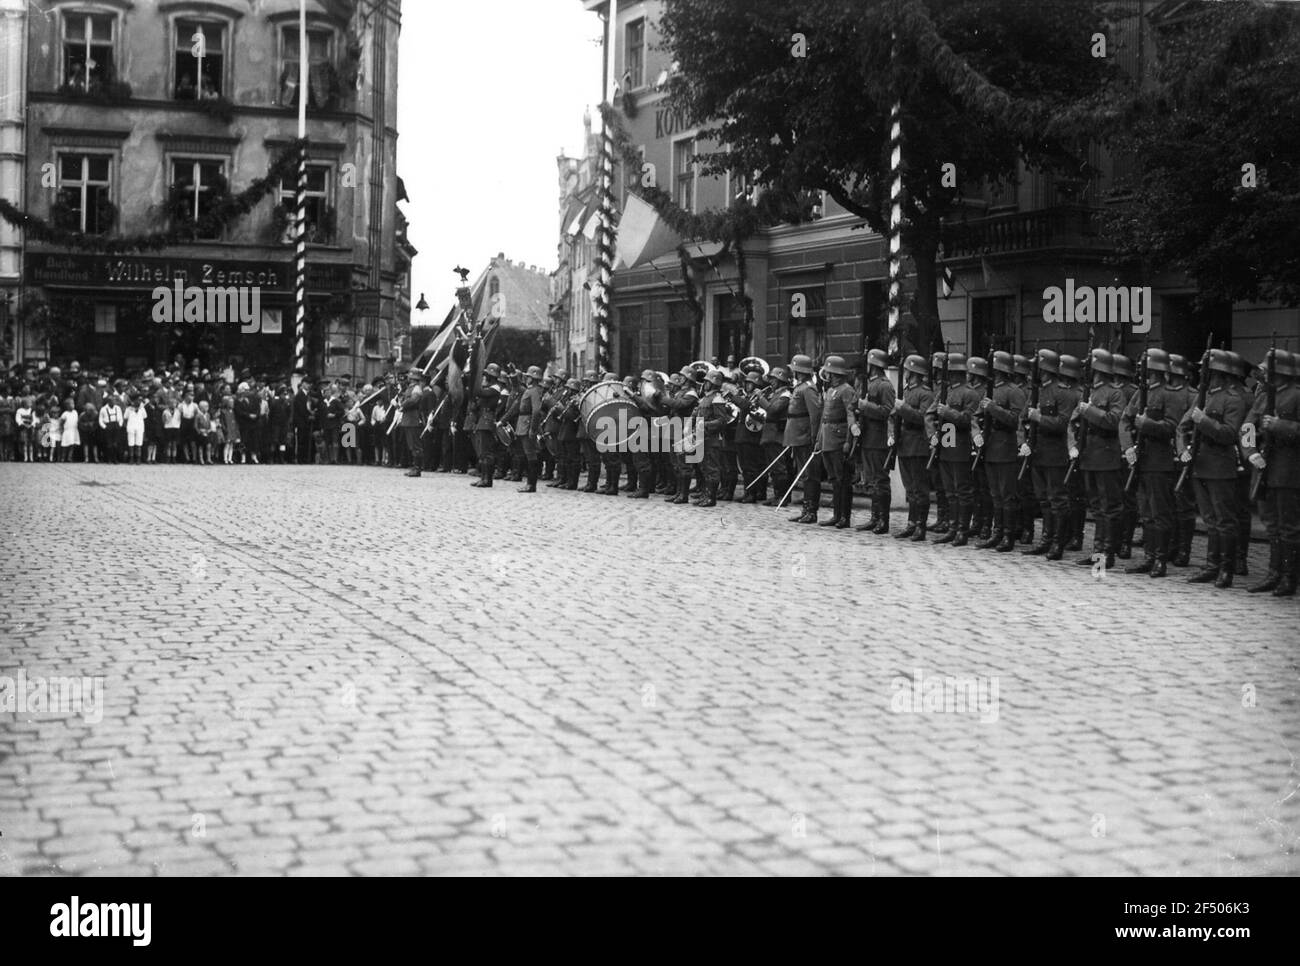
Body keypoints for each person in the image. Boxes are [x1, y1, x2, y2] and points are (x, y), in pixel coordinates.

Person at [1179, 349, 1248, 588]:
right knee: (1209, 519)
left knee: (1224, 520)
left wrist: (1204, 421)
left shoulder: (1233, 399)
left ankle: (1226, 569)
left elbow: (1230, 434)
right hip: (1200, 465)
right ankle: (1211, 565)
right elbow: (1183, 426)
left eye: (1207, 370)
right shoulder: (1204, 396)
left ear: (1220, 372)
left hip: (1220, 466)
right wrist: (1183, 450)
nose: (1203, 374)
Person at [1120, 347, 1188, 579]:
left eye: (1145, 368)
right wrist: (1128, 447)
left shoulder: (1170, 394)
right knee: (1146, 511)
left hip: (1160, 461)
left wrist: (1146, 424)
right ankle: (1149, 557)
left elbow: (1173, 426)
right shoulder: (1141, 393)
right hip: (1140, 460)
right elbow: (1125, 421)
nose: (1141, 372)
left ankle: (1160, 559)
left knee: (1160, 512)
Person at [1241, 349, 1298, 596]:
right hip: (1264, 468)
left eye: (1267, 369)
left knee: (1289, 526)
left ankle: (1289, 577)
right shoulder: (1263, 397)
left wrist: (1281, 426)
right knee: (1271, 524)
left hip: (1289, 470)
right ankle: (1273, 573)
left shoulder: (1297, 395)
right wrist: (1251, 452)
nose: (1262, 372)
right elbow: (1247, 426)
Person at [1068, 348, 1125, 570]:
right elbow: (1073, 422)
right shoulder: (1089, 392)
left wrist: (1089, 411)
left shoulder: (1115, 393)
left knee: (1108, 506)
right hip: (1089, 455)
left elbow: (1114, 421)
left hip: (1106, 455)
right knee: (1096, 506)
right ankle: (1097, 551)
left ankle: (1107, 553)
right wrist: (1073, 445)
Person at [974, 352, 1026, 551]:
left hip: (1006, 446)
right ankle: (997, 532)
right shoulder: (990, 389)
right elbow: (975, 417)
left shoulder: (1014, 392)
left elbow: (1016, 420)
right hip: (990, 446)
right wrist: (976, 433)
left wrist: (994, 409)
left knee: (1007, 494)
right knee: (995, 493)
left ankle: (1008, 535)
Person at [928, 353, 979, 546]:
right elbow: (929, 414)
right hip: (946, 444)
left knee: (962, 490)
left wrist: (948, 412)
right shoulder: (945, 391)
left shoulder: (970, 393)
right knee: (950, 490)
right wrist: (932, 434)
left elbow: (969, 420)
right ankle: (952, 527)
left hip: (961, 445)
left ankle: (962, 530)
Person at [817, 355, 859, 529]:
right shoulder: (830, 390)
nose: (827, 375)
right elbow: (824, 418)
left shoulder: (846, 390)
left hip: (839, 438)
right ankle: (836, 514)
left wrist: (849, 441)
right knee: (834, 479)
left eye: (829, 372)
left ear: (835, 373)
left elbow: (851, 416)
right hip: (828, 437)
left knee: (842, 479)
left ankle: (844, 517)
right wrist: (819, 439)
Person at [856, 349, 895, 533]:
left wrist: (866, 406)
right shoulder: (869, 383)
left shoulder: (884, 385)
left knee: (880, 480)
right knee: (872, 481)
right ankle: (874, 517)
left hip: (879, 438)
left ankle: (883, 520)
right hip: (867, 436)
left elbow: (887, 410)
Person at [784, 355, 823, 523]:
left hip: (805, 436)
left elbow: (815, 415)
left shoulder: (808, 388)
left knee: (810, 475)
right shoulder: (800, 387)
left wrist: (814, 437)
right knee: (804, 474)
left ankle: (811, 511)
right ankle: (806, 509)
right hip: (797, 436)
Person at [471, 364, 505, 487]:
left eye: (486, 375)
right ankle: (483, 477)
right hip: (483, 420)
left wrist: (473, 379)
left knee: (487, 452)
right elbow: (478, 403)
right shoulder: (490, 388)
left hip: (487, 421)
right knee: (482, 451)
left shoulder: (495, 388)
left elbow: (480, 392)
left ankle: (487, 479)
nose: (485, 377)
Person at [100, 393, 125, 464]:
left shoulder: (118, 408)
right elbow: (100, 420)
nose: (113, 402)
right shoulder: (103, 409)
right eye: (111, 401)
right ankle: (108, 459)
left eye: (114, 401)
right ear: (108, 402)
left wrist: (120, 425)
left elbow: (121, 418)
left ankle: (115, 459)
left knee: (115, 444)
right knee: (109, 444)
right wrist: (104, 427)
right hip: (108, 426)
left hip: (116, 426)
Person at [125, 395, 147, 464]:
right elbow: (125, 417)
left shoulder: (142, 409)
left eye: (139, 400)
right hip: (131, 427)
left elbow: (145, 416)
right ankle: (131, 458)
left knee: (139, 444)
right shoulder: (128, 409)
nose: (138, 402)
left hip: (139, 428)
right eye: (136, 400)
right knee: (131, 444)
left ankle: (138, 459)